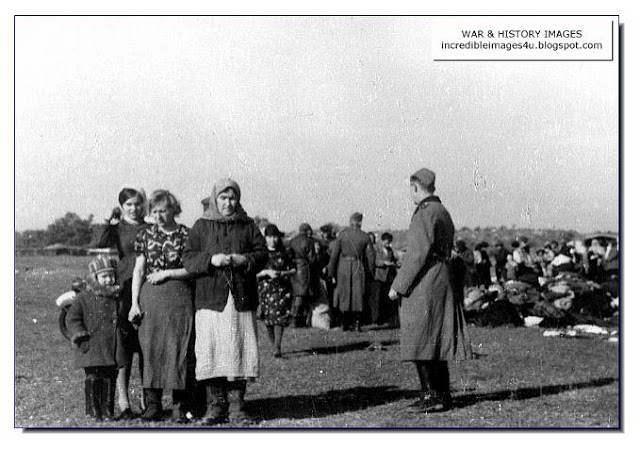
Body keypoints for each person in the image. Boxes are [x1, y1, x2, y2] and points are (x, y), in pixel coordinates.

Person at [183, 178, 268, 425]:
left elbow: (262, 253)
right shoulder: (201, 225)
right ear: (214, 199)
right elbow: (188, 257)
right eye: (223, 198)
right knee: (212, 350)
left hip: (240, 298)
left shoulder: (247, 224)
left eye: (232, 198)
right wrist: (211, 260)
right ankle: (215, 407)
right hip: (211, 299)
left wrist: (245, 260)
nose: (228, 203)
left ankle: (238, 408)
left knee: (237, 349)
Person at [388, 168, 471, 414]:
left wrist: (398, 286)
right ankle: (441, 395)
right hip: (440, 278)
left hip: (424, 282)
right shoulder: (442, 211)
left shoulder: (424, 213)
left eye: (410, 190)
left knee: (420, 337)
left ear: (415, 187)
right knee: (435, 338)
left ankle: (431, 395)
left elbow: (416, 254)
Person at [128, 190, 195, 423]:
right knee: (151, 349)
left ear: (173, 210)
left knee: (179, 349)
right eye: (154, 211)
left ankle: (180, 406)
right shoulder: (145, 235)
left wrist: (167, 273)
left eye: (163, 210)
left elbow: (194, 268)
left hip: (179, 297)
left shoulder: (187, 234)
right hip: (151, 299)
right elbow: (139, 270)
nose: (158, 215)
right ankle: (153, 406)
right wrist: (134, 303)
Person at [95, 187, 148, 420]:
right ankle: (124, 401)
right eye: (129, 205)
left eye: (138, 204)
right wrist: (107, 219)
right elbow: (98, 240)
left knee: (146, 344)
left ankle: (148, 399)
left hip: (148, 287)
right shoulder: (117, 229)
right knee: (124, 346)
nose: (134, 208)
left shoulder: (150, 227)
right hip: (124, 287)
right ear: (122, 206)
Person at [66, 255, 125, 422]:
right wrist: (80, 334)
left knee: (109, 377)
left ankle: (107, 410)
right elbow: (72, 318)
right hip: (91, 345)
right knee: (93, 377)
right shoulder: (83, 298)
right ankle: (93, 410)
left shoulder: (116, 296)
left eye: (111, 275)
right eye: (104, 276)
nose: (109, 280)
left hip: (111, 345)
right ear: (95, 278)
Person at [328, 212, 375, 332]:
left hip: (343, 266)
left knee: (344, 294)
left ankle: (344, 323)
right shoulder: (365, 236)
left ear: (350, 221)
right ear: (360, 222)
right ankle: (357, 324)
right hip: (357, 266)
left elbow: (334, 255)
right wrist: (371, 273)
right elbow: (371, 257)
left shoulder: (342, 235)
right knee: (358, 294)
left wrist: (331, 273)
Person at [256, 224, 296, 357]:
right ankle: (274, 344)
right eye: (270, 237)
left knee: (279, 318)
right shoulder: (260, 254)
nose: (273, 240)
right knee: (268, 319)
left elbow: (293, 269)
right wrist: (267, 272)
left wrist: (283, 273)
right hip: (265, 290)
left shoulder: (285, 253)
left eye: (275, 237)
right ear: (265, 238)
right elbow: (254, 273)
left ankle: (277, 347)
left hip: (282, 289)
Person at [288, 223, 323, 328]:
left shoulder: (292, 241)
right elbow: (312, 259)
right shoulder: (309, 241)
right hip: (304, 270)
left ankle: (295, 318)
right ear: (307, 230)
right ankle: (299, 319)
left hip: (294, 269)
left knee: (297, 294)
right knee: (303, 295)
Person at [371, 232, 399, 327]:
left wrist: (395, 263)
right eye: (387, 242)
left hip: (387, 278)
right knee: (377, 299)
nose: (388, 244)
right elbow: (373, 261)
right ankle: (376, 319)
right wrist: (384, 263)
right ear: (382, 241)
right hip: (378, 277)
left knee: (385, 300)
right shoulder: (375, 249)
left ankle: (384, 318)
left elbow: (393, 260)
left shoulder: (390, 250)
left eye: (389, 242)